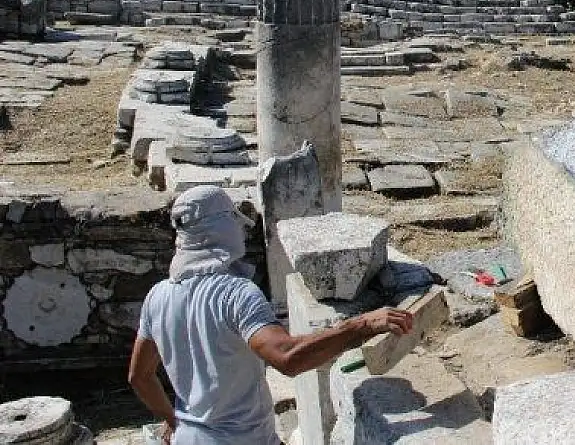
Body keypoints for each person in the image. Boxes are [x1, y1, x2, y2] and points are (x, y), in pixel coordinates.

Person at [128, 185, 414, 444]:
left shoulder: (158, 296)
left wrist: (173, 420)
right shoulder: (236, 294)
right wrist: (361, 324)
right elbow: (287, 357)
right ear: (224, 229)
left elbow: (139, 376)